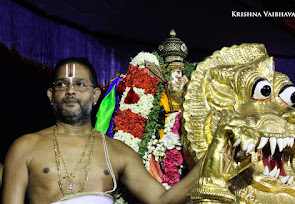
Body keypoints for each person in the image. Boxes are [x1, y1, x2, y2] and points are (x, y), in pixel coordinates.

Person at [2, 57, 201, 204]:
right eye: (62, 84)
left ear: (96, 95)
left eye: (80, 84)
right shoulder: (25, 147)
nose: (71, 90)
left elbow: (161, 200)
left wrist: (211, 159)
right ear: (51, 95)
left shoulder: (116, 151)